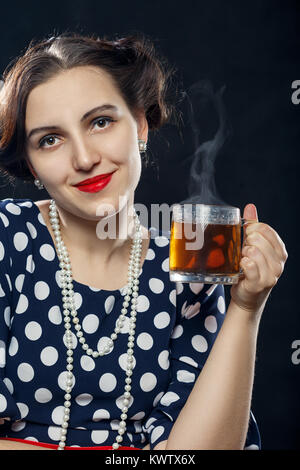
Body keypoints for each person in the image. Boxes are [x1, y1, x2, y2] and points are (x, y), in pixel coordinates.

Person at [0, 32, 287, 451]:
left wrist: (245, 309)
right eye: (50, 139)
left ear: (140, 125)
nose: (83, 159)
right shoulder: (8, 239)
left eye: (101, 122)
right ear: (30, 164)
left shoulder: (188, 270)